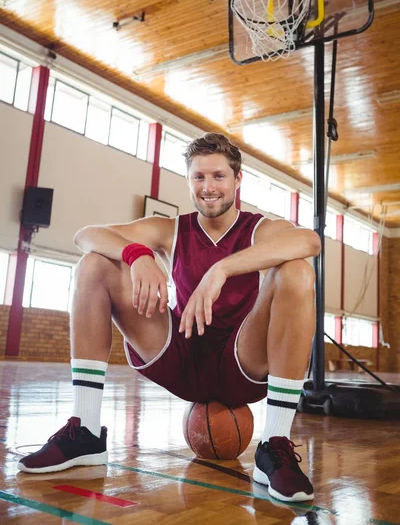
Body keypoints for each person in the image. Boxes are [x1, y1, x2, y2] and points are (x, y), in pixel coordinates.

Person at [18, 133, 320, 503]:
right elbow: (86, 235)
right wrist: (137, 254)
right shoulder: (172, 229)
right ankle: (86, 432)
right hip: (182, 356)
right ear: (189, 180)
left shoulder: (259, 229)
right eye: (199, 177)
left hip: (243, 362)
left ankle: (274, 445)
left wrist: (221, 270)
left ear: (238, 179)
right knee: (94, 263)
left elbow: (310, 242)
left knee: (297, 271)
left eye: (218, 176)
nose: (208, 187)